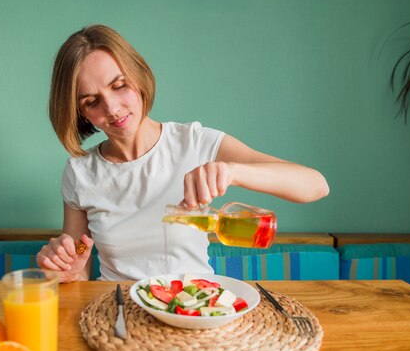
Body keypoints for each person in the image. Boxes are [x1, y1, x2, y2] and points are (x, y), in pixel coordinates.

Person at [37, 24, 329, 283]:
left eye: (119, 86)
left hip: (193, 311)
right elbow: (78, 262)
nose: (112, 108)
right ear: (81, 113)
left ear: (137, 78)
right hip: (117, 312)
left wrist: (233, 171)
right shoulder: (80, 172)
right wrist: (68, 270)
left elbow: (315, 185)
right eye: (92, 101)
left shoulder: (195, 143)